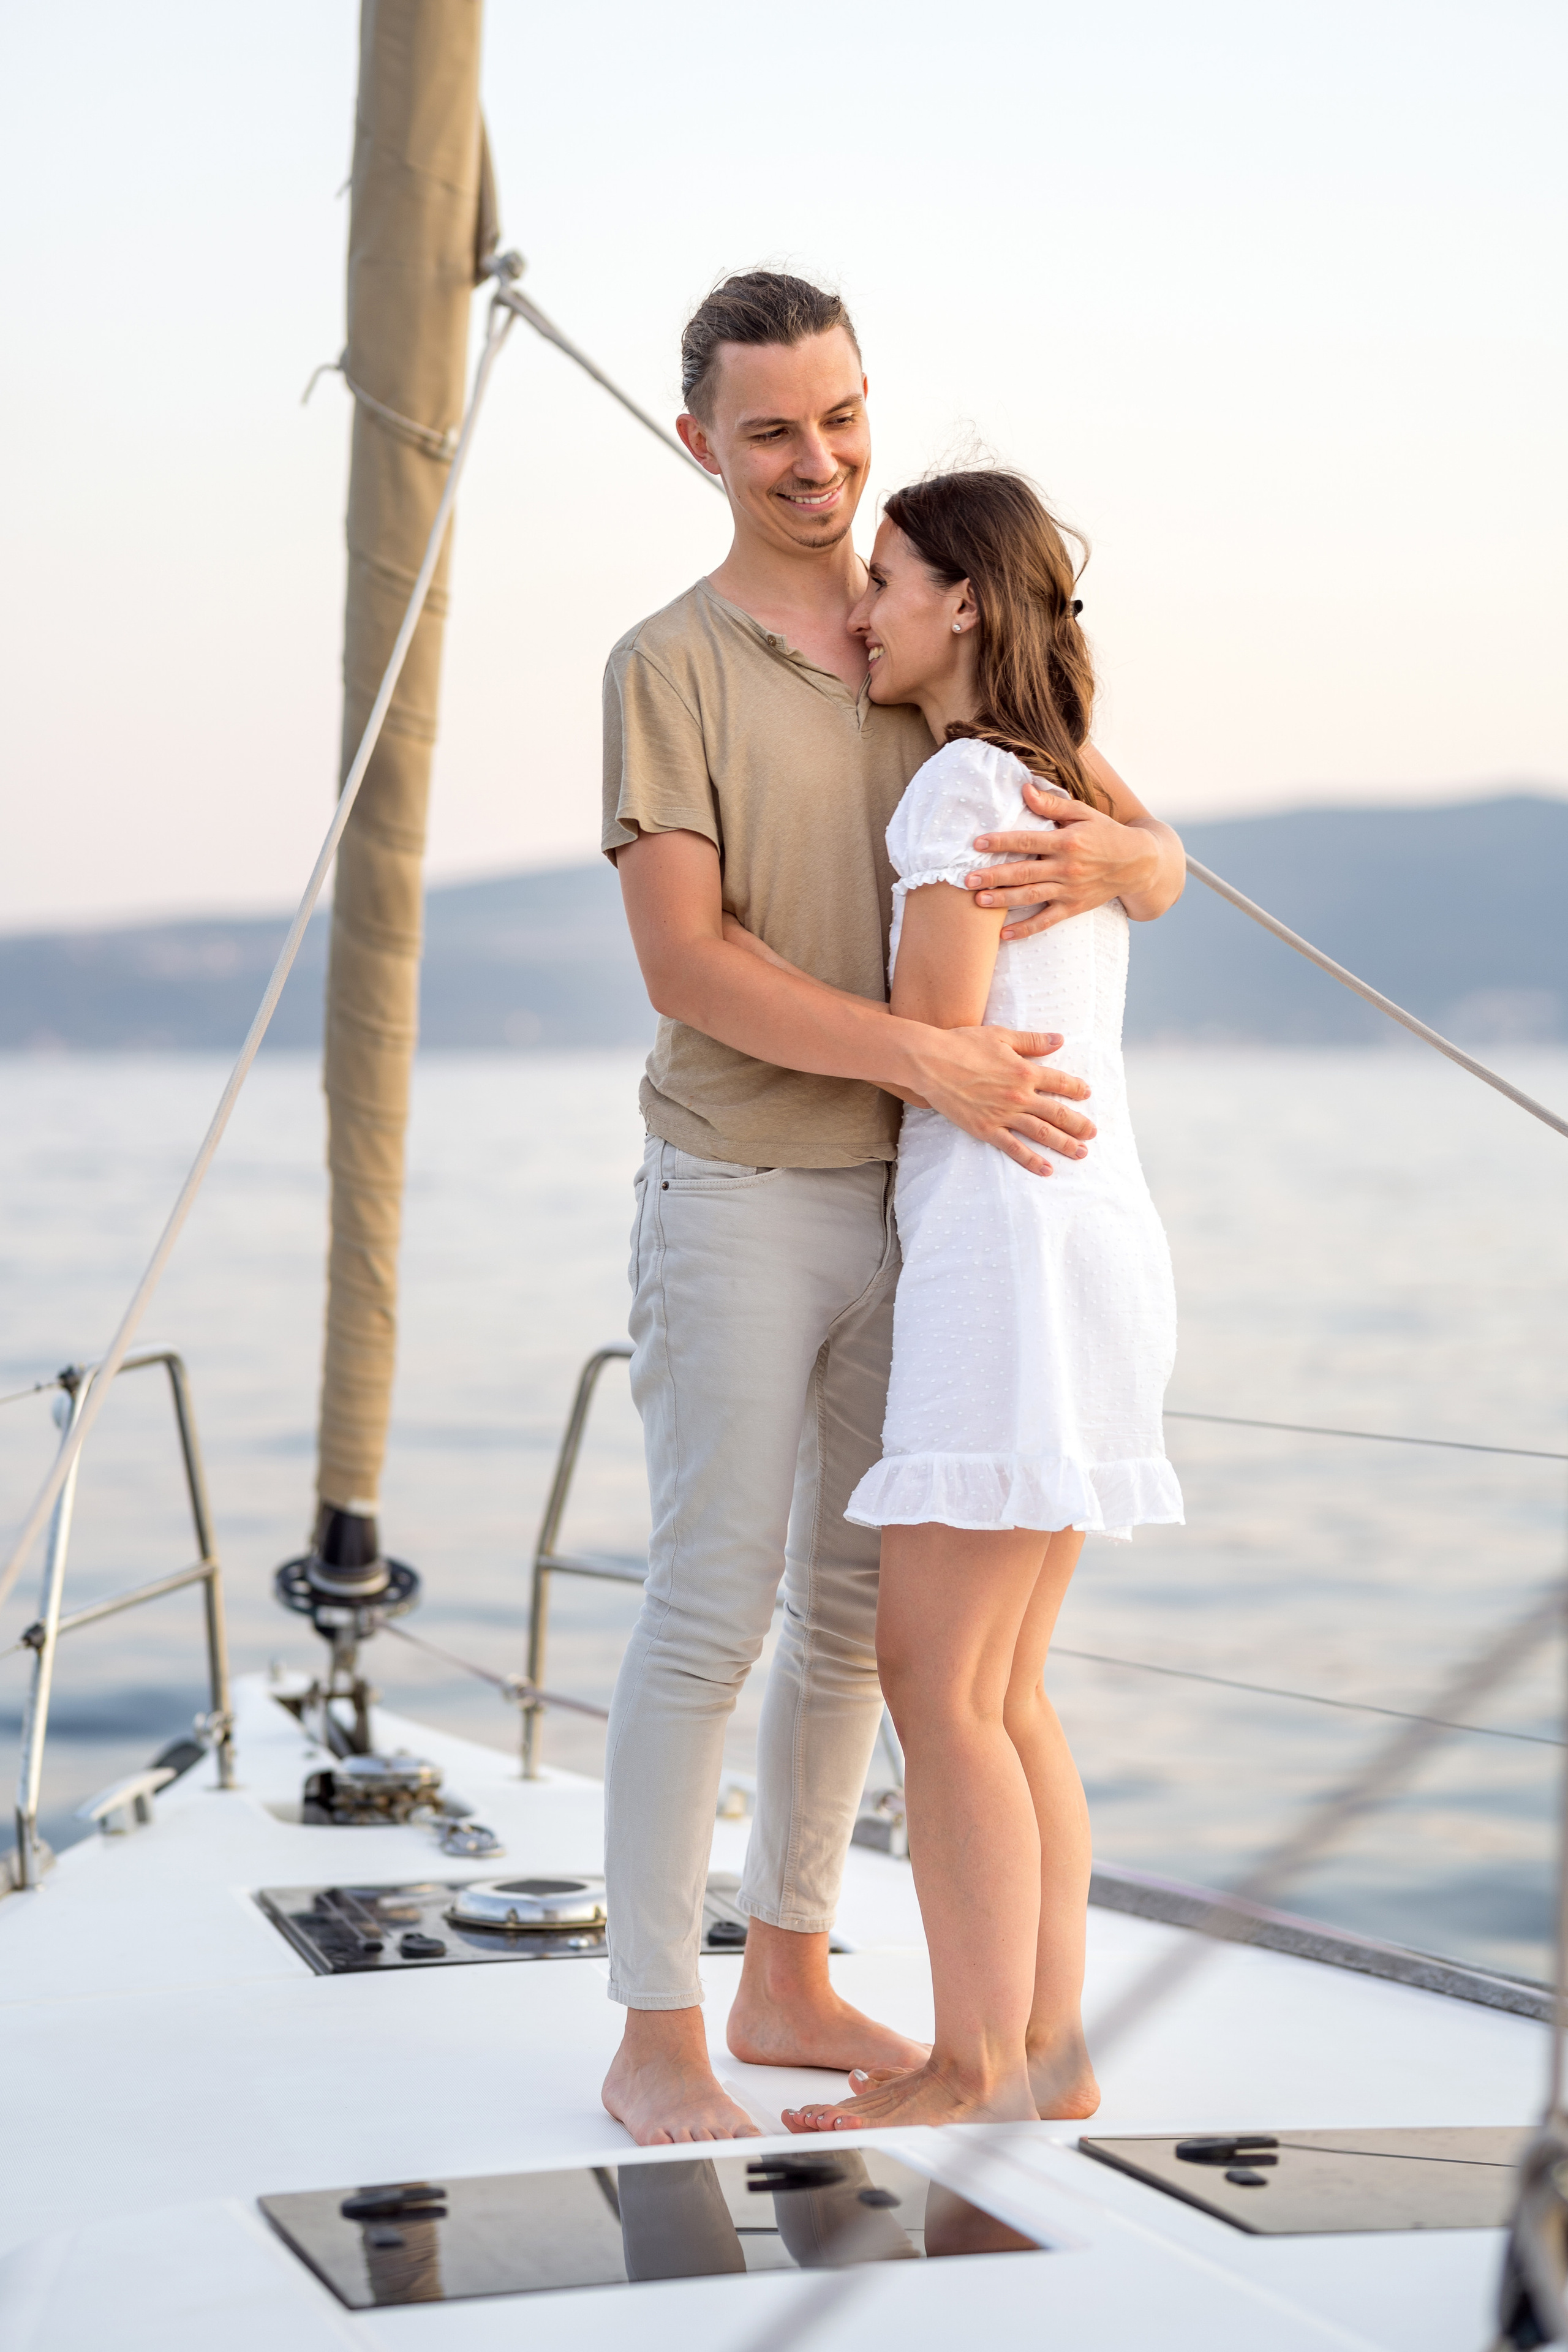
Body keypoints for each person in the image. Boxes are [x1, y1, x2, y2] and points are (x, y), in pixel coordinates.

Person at [600, 271, 1185, 2147]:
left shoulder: (926, 687)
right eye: (768, 429)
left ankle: (835, 1986)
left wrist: (1144, 854)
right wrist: (930, 1059)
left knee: (890, 1652)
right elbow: (686, 964)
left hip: (948, 1232)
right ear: (701, 444)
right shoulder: (675, 665)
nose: (817, 461)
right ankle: (666, 2029)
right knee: (728, 1618)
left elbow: (1138, 852)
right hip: (767, 1186)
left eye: (840, 417)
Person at [755, 471, 1183, 2135]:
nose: (864, 608)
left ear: (966, 607)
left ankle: (965, 2062)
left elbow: (939, 1029)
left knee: (936, 1687)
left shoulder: (950, 788)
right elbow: (1146, 878)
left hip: (1004, 1255)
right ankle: (1050, 2051)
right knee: (1002, 1691)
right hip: (1096, 1243)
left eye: (891, 579)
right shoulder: (1064, 785)